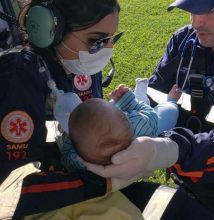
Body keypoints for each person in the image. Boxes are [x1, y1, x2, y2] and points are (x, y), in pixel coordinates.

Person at [87, 0, 214, 219]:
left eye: (208, 11)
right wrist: (128, 117)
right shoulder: (184, 41)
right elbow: (152, 100)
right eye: (190, 11)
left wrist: (169, 150)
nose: (196, 22)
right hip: (187, 183)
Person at [0, 0, 139, 218]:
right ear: (51, 30)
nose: (108, 50)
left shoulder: (73, 63)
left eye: (111, 39)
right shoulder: (19, 79)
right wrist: (102, 182)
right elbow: (12, 187)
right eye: (97, 41)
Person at [62, 83, 181, 170]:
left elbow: (67, 152)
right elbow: (150, 115)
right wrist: (128, 102)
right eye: (121, 113)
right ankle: (172, 99)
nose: (123, 112)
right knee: (170, 110)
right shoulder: (137, 125)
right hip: (154, 132)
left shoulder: (79, 160)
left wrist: (71, 138)